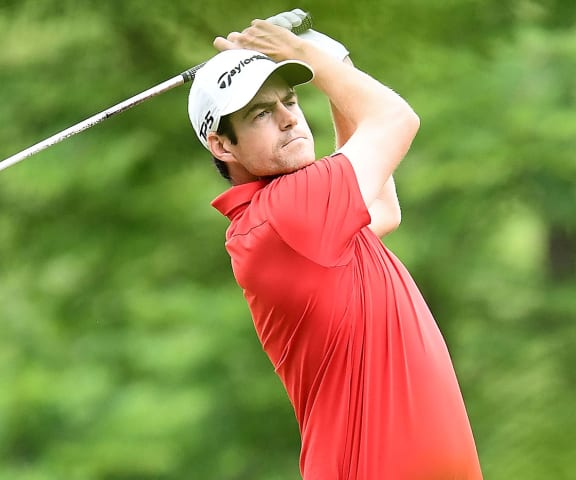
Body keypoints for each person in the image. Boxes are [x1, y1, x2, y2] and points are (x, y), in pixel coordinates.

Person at [188, 17, 482, 479]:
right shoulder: (287, 212)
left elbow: (383, 206)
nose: (289, 118)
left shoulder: (305, 217)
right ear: (222, 144)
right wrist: (307, 55)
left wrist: (325, 53)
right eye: (261, 113)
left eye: (290, 100)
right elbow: (395, 118)